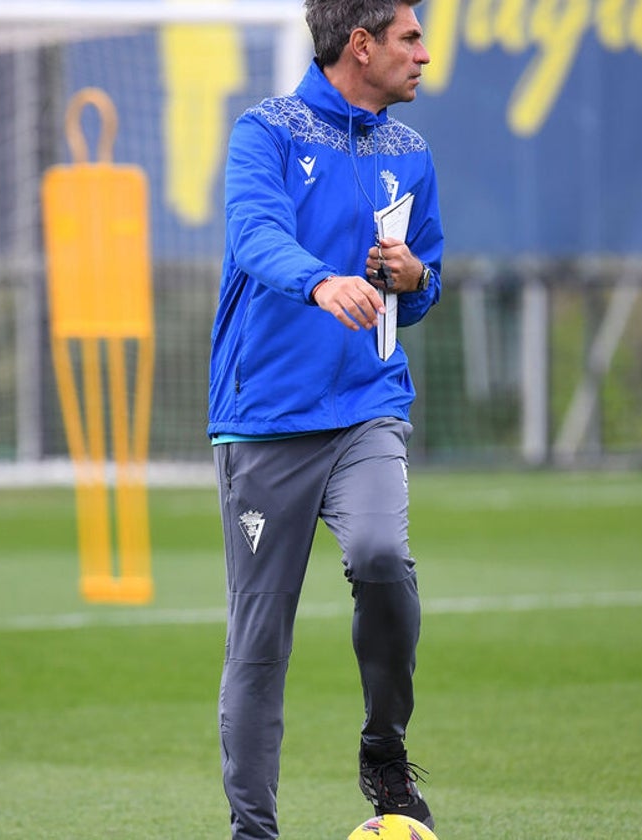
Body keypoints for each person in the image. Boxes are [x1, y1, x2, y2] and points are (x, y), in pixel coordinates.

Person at [207, 0, 443, 837]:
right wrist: (318, 280)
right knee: (260, 640)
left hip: (368, 409)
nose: (423, 53)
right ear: (362, 43)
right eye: (410, 37)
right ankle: (254, 831)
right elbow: (255, 237)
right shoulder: (264, 132)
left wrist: (414, 278)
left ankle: (383, 750)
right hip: (267, 422)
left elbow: (426, 284)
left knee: (382, 555)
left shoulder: (410, 152)